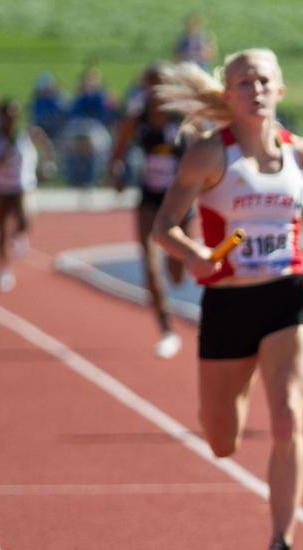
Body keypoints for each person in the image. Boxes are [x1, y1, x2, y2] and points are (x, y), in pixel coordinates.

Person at [151, 49, 303, 550]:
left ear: (280, 89)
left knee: (288, 416)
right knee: (222, 440)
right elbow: (164, 225)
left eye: (264, 79)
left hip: (286, 297)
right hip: (228, 304)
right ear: (229, 95)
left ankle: (281, 544)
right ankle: (224, 417)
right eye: (244, 81)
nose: (255, 87)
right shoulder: (210, 155)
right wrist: (192, 254)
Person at [109, 63, 197, 358]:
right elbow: (118, 149)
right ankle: (166, 329)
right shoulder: (138, 119)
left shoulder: (183, 117)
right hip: (149, 199)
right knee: (149, 262)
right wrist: (117, 171)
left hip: (180, 201)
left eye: (161, 84)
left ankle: (176, 263)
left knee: (178, 270)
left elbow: (202, 148)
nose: (155, 90)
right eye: (151, 84)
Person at [0, 99, 53, 292]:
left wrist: (48, 163)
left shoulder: (26, 134)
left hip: (22, 186)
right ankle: (4, 269)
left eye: (15, 116)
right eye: (8, 116)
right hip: (1, 188)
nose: (11, 120)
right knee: (1, 230)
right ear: (1, 117)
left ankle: (19, 236)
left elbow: (45, 142)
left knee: (24, 219)